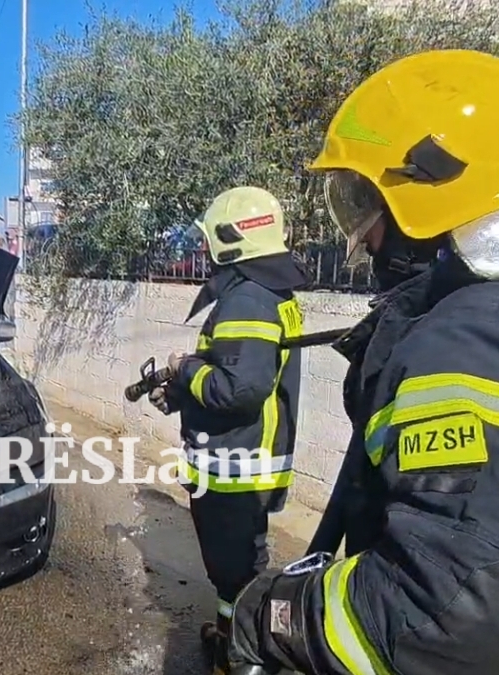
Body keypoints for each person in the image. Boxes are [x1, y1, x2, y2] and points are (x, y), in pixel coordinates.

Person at [224, 49, 499, 675]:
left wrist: (278, 614)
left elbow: (450, 612)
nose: (363, 235)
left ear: (429, 191)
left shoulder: (477, 345)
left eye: (363, 202)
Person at [146, 186, 309, 675]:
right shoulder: (266, 292)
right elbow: (239, 372)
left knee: (238, 571)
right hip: (241, 462)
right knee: (230, 569)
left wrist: (184, 368)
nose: (203, 247)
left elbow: (239, 390)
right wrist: (182, 392)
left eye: (209, 237)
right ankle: (227, 637)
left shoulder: (248, 300)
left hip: (235, 467)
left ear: (231, 238)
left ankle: (242, 659)